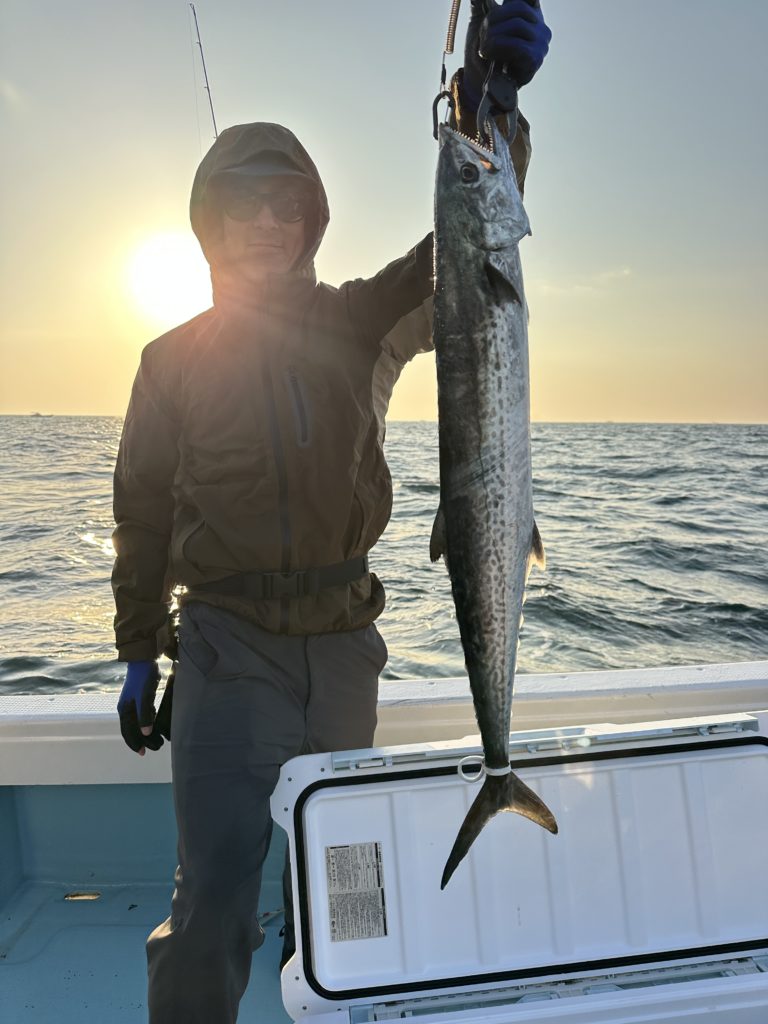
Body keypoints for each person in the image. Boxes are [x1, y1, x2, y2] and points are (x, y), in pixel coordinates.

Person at [111, 3, 551, 1021]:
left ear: (311, 220)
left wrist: (494, 111)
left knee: (349, 900)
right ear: (210, 225)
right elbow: (139, 517)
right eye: (243, 207)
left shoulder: (360, 320)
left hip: (347, 647)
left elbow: (470, 245)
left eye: (287, 206)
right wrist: (138, 651)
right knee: (212, 905)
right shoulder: (169, 361)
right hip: (225, 653)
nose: (267, 224)